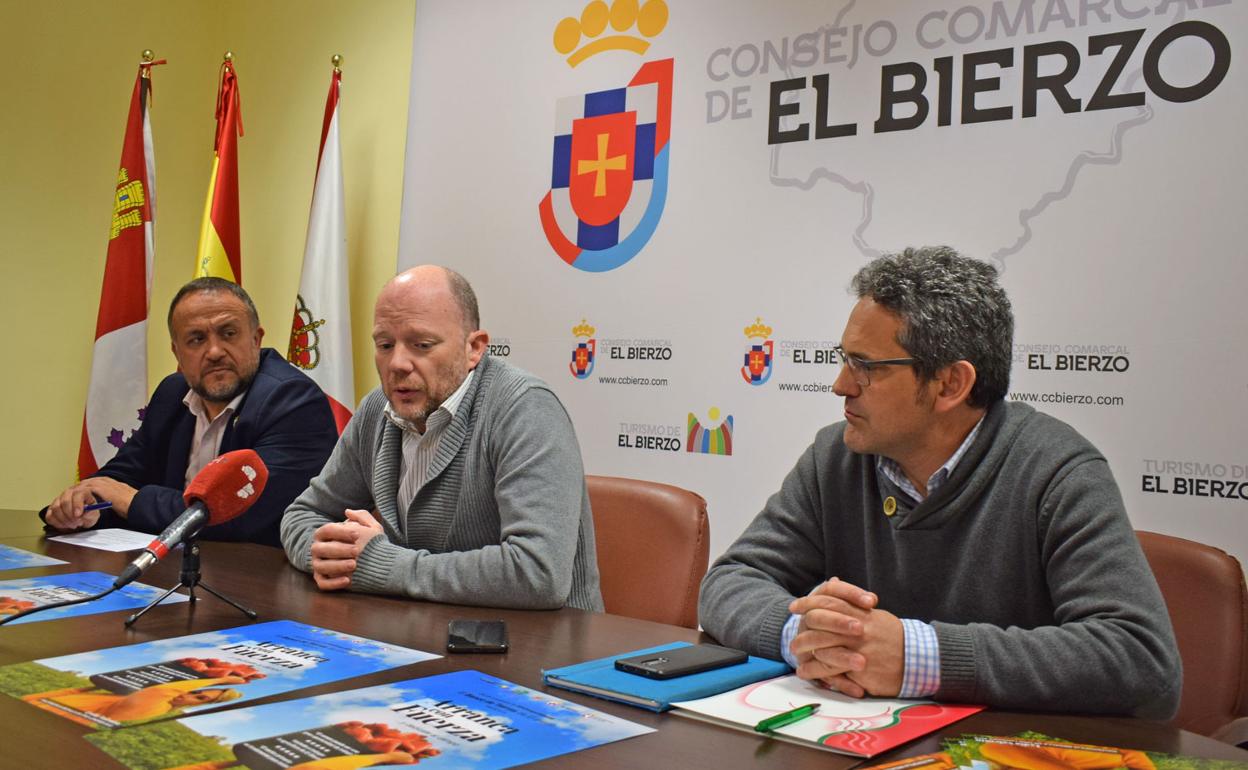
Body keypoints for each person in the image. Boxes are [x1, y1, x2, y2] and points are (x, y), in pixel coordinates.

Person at [698, 247, 1181, 719]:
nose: (841, 385)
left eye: (866, 367)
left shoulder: (1057, 471)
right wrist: (810, 632)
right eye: (843, 359)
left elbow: (1140, 658)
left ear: (951, 384)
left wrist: (917, 657)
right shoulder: (837, 457)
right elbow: (729, 582)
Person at [280, 266, 602, 611]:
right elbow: (302, 513)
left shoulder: (524, 407)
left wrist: (384, 565)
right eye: (385, 345)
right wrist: (328, 556)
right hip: (421, 633)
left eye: (422, 345)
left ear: (474, 348)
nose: (397, 364)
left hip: (540, 648)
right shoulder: (377, 408)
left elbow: (538, 574)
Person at [42, 278, 338, 547]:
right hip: (178, 570)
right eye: (196, 339)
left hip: (260, 581)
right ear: (177, 354)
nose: (214, 352)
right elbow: (124, 474)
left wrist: (130, 501)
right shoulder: (173, 394)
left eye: (229, 333)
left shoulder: (292, 401)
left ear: (256, 340)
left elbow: (237, 517)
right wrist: (87, 505)